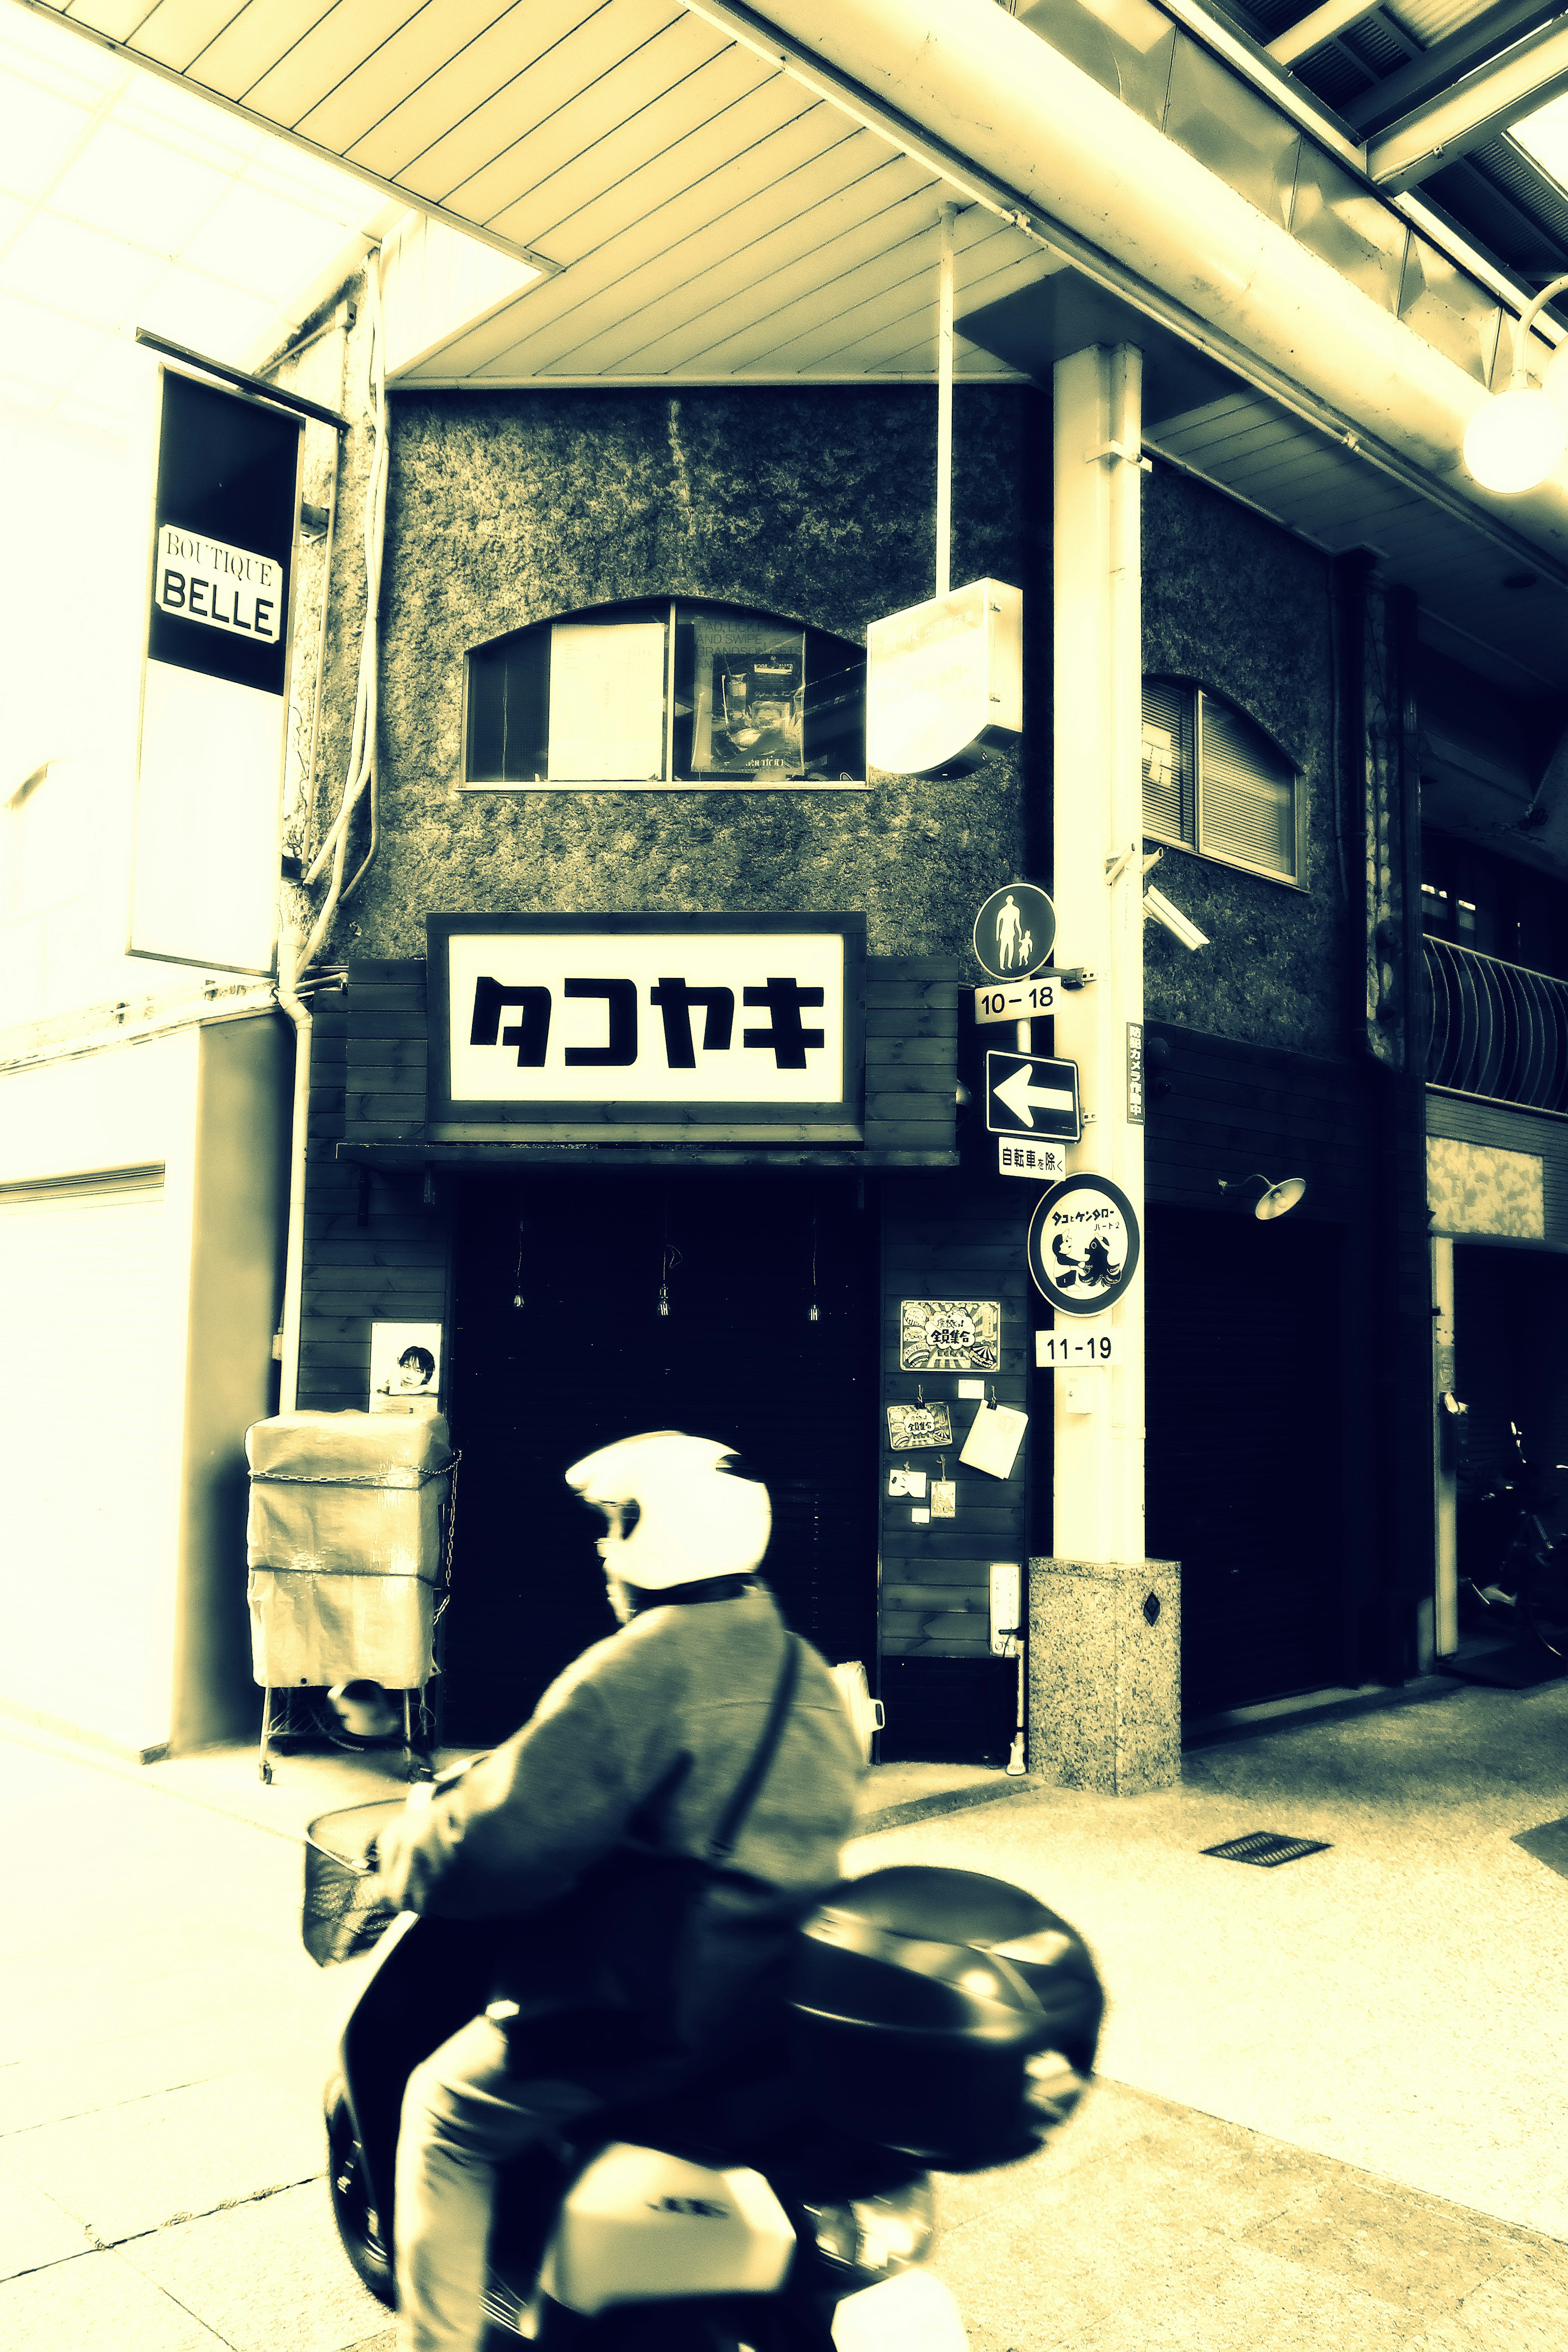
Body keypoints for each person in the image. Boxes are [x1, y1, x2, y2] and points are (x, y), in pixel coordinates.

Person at [372, 1430, 863, 2352]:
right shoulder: (805, 1667)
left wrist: (406, 1851)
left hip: (660, 2012)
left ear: (655, 1534)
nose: (602, 1549)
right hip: (774, 2006)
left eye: (613, 1525)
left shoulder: (638, 1671)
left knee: (441, 2113)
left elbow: (499, 1845)